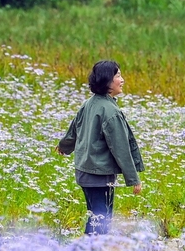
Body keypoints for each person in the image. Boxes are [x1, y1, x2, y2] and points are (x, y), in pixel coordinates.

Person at [56, 60, 144, 235]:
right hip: (99, 175)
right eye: (118, 75)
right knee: (101, 218)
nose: (122, 79)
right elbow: (121, 148)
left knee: (95, 215)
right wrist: (133, 178)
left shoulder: (89, 103)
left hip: (84, 171)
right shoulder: (110, 111)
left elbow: (74, 129)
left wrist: (64, 146)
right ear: (107, 81)